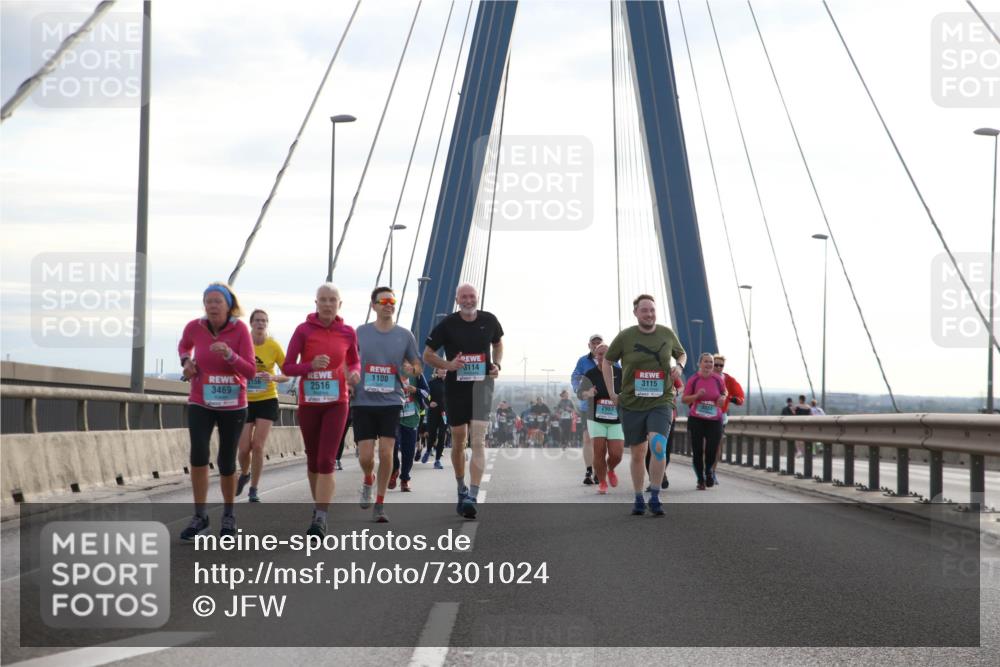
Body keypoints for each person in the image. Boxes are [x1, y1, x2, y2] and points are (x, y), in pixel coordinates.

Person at [178, 282, 256, 540]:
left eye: (217, 301)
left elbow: (250, 371)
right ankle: (200, 516)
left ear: (228, 305)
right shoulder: (194, 327)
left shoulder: (240, 330)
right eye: (208, 301)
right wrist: (187, 362)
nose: (212, 305)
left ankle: (228, 515)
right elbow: (183, 346)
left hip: (233, 404)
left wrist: (230, 355)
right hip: (201, 400)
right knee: (198, 455)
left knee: (225, 461)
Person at [283, 284, 360, 536]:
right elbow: (287, 367)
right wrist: (309, 365)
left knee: (327, 459)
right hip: (309, 403)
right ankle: (319, 506)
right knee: (313, 459)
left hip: (337, 403)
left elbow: (354, 360)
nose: (327, 304)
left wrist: (356, 373)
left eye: (332, 300)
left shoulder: (348, 332)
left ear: (340, 304)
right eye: (323, 300)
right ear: (315, 303)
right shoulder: (303, 331)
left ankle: (321, 516)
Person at [423, 283, 503, 520]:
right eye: (464, 297)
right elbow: (427, 354)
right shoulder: (448, 323)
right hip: (455, 389)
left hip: (482, 388)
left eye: (472, 296)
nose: (468, 300)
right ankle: (461, 488)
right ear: (457, 300)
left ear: (477, 298)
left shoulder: (489, 320)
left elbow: (498, 343)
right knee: (459, 442)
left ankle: (473, 495)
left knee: (477, 441)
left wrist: (497, 365)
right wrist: (448, 366)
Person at [603, 294, 686, 516]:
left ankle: (656, 495)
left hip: (661, 400)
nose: (649, 314)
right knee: (638, 453)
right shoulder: (626, 337)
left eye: (652, 310)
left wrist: (679, 365)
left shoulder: (666, 333)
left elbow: (682, 353)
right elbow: (607, 361)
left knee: (658, 446)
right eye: (644, 310)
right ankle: (639, 496)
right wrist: (612, 392)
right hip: (632, 402)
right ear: (636, 313)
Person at [352, 287, 421, 523]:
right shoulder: (360, 332)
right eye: (383, 301)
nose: (389, 304)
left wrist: (412, 369)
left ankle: (380, 503)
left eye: (392, 301)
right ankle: (367, 479)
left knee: (386, 451)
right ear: (373, 305)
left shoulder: (405, 335)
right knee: (365, 457)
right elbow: (347, 361)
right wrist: (348, 378)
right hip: (362, 400)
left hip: (391, 400)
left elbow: (417, 365)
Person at [236, 309, 289, 503]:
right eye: (257, 320)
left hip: (267, 399)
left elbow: (288, 372)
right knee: (243, 448)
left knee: (257, 445)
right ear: (251, 323)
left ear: (267, 324)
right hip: (245, 399)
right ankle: (245, 472)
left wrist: (273, 377)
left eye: (264, 321)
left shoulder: (273, 346)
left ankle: (254, 488)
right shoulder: (243, 343)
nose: (261, 324)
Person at [577, 343, 624, 495]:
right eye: (599, 354)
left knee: (617, 454)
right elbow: (580, 394)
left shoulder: (620, 372)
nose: (602, 357)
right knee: (599, 452)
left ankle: (610, 469)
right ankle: (602, 482)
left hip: (616, 419)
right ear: (595, 356)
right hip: (595, 419)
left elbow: (629, 392)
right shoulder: (590, 374)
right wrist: (588, 393)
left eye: (605, 353)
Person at [682, 353, 728, 490]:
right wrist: (696, 396)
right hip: (697, 419)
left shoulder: (718, 379)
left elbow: (724, 392)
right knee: (697, 451)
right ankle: (700, 480)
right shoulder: (693, 380)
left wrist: (722, 398)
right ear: (699, 364)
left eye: (711, 362)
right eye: (706, 361)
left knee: (712, 450)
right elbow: (684, 400)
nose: (709, 364)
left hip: (714, 420)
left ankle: (709, 471)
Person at [572, 334, 603, 484]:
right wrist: (582, 390)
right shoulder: (583, 361)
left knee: (601, 440)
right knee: (587, 438)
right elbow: (575, 376)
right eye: (593, 343)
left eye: (599, 342)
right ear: (589, 345)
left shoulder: (613, 360)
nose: (596, 345)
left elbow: (621, 377)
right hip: (587, 406)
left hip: (606, 406)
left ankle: (599, 470)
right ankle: (589, 471)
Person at [709, 353, 744, 486]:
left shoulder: (728, 379)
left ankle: (712, 472)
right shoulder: (703, 377)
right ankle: (704, 470)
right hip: (703, 415)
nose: (718, 367)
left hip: (720, 416)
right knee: (705, 446)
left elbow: (740, 395)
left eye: (721, 365)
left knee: (717, 446)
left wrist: (736, 399)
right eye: (715, 364)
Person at [392, 369, 429, 492]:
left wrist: (416, 390)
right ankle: (394, 469)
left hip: (411, 417)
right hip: (392, 416)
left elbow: (427, 393)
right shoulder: (390, 367)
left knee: (408, 452)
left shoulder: (417, 373)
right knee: (390, 447)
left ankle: (405, 479)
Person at [426, 367, 448, 469]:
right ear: (437, 371)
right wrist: (429, 403)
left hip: (444, 414)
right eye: (441, 369)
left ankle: (437, 460)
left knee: (442, 435)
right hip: (433, 413)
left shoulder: (450, 383)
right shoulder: (431, 383)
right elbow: (425, 396)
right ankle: (428, 450)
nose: (444, 370)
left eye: (445, 369)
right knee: (432, 434)